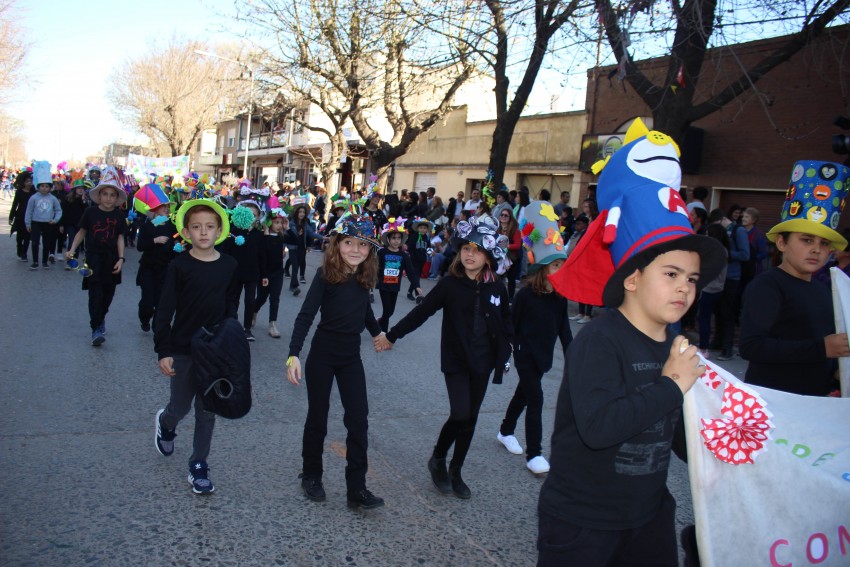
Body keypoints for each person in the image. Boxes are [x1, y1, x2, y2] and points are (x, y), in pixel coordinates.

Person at [542, 119, 725, 566]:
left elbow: (673, 433)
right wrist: (671, 386)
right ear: (633, 278)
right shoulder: (600, 341)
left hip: (649, 518)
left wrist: (721, 444)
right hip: (584, 524)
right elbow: (599, 427)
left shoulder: (674, 342)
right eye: (671, 274)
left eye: (692, 279)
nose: (684, 288)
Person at [377, 215, 513, 499]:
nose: (470, 254)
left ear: (488, 255)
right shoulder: (450, 284)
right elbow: (421, 312)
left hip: (483, 362)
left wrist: (510, 349)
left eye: (477, 250)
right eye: (466, 248)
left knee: (471, 418)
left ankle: (456, 469)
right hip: (456, 360)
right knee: (460, 413)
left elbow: (507, 322)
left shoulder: (497, 286)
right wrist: (392, 335)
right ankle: (438, 457)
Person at [286, 215, 387, 510]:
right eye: (348, 243)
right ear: (337, 245)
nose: (355, 250)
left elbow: (364, 310)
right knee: (318, 417)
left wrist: (377, 332)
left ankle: (357, 488)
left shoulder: (363, 277)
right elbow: (306, 316)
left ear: (370, 250)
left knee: (358, 421)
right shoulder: (326, 275)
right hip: (323, 356)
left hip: (350, 358)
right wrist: (293, 354)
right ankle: (312, 475)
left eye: (362, 245)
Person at [739, 159, 850, 396]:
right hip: (773, 402)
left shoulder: (823, 290)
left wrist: (834, 382)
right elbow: (752, 346)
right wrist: (822, 348)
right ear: (782, 242)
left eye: (824, 243)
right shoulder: (768, 285)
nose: (816, 249)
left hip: (814, 404)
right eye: (806, 240)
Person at [153, 198, 240, 495]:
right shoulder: (179, 266)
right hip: (182, 349)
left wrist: (230, 339)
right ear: (187, 232)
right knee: (181, 406)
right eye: (196, 227)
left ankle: (198, 465)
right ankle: (166, 423)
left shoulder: (230, 265)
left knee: (207, 411)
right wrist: (163, 350)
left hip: (214, 351)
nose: (203, 232)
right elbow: (164, 311)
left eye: (209, 227)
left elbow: (231, 304)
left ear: (219, 231)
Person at [496, 201, 571, 475]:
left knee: (524, 394)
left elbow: (564, 331)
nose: (560, 270)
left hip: (543, 357)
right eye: (555, 265)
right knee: (536, 399)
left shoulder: (560, 298)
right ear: (543, 269)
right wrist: (509, 352)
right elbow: (511, 325)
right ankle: (534, 454)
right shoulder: (526, 295)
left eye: (563, 265)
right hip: (525, 354)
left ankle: (505, 431)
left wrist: (574, 358)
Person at [65, 167, 128, 346]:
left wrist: (121, 258)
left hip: (112, 259)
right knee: (95, 294)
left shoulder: (119, 216)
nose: (108, 198)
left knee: (108, 295)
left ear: (117, 199)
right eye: (105, 194)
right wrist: (72, 249)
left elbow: (121, 238)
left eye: (112, 195)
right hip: (93, 260)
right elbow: (81, 232)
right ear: (99, 196)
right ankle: (96, 328)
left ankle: (100, 319)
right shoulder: (90, 213)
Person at [219, 200, 266, 340]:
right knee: (233, 298)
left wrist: (264, 275)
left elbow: (262, 256)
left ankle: (247, 328)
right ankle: (232, 325)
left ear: (258, 217)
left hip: (252, 273)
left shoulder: (259, 234)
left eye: (254, 215)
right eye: (248, 214)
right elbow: (226, 252)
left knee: (250, 300)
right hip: (236, 272)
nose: (251, 217)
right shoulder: (234, 232)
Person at [135, 186, 177, 333]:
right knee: (147, 301)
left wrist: (179, 247)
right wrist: (155, 240)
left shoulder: (173, 227)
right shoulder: (148, 226)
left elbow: (179, 241)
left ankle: (157, 326)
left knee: (160, 300)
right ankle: (144, 318)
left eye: (167, 206)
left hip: (165, 268)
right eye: (163, 206)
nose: (166, 209)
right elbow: (140, 246)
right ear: (155, 209)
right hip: (148, 268)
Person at [375, 217, 421, 332]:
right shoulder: (382, 252)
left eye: (399, 238)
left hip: (395, 286)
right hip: (383, 285)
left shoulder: (404, 255)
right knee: (387, 311)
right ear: (388, 239)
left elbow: (410, 272)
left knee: (391, 311)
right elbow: (374, 268)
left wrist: (417, 286)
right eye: (394, 238)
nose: (396, 241)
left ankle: (379, 321)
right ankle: (383, 333)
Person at [254, 209, 288, 338]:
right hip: (265, 273)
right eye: (276, 222)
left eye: (281, 222)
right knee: (262, 297)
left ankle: (272, 324)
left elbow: (296, 240)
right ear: (269, 223)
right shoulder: (263, 237)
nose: (279, 225)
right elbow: (264, 254)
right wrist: (267, 233)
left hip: (278, 273)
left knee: (275, 299)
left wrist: (288, 228)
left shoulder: (281, 236)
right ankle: (254, 312)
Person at [25, 162, 63, 270]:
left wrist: (55, 220)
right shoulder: (33, 197)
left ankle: (45, 262)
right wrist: (28, 223)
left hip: (48, 223)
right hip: (35, 222)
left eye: (47, 186)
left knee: (47, 243)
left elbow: (58, 210)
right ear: (38, 186)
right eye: (42, 186)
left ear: (50, 187)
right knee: (35, 242)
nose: (44, 188)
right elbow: (29, 211)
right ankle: (35, 262)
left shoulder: (53, 198)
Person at [286, 203, 319, 295]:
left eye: (303, 212)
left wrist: (323, 238)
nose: (302, 214)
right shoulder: (291, 223)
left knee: (300, 263)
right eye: (300, 212)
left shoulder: (305, 223)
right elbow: (288, 236)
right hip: (293, 248)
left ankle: (293, 284)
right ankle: (294, 286)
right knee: (295, 266)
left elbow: (311, 234)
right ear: (296, 213)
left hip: (302, 247)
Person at [62, 181, 89, 270]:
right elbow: (63, 212)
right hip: (70, 223)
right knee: (71, 240)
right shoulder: (67, 199)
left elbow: (86, 212)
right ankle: (69, 260)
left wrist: (84, 201)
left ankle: (74, 259)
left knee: (78, 241)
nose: (81, 190)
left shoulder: (84, 200)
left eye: (82, 188)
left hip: (80, 224)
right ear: (74, 189)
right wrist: (61, 224)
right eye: (79, 188)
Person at [9, 170, 35, 262]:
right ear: (23, 182)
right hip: (20, 217)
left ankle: (24, 253)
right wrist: (11, 217)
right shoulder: (19, 192)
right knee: (20, 237)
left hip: (30, 217)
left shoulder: (34, 193)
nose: (29, 183)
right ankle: (19, 250)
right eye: (27, 181)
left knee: (27, 237)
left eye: (30, 181)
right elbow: (15, 205)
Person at [497, 208, 521, 300]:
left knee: (511, 279)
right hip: (499, 256)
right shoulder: (497, 228)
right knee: (498, 277)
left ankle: (510, 298)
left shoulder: (515, 230)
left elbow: (518, 245)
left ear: (510, 217)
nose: (503, 217)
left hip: (511, 258)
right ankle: (498, 296)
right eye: (502, 215)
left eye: (506, 215)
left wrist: (507, 246)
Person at [407, 218, 432, 301]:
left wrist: (431, 252)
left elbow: (428, 247)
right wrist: (412, 255)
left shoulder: (426, 238)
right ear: (417, 228)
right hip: (414, 260)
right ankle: (418, 295)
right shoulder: (414, 237)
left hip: (422, 260)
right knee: (416, 276)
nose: (422, 229)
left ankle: (409, 292)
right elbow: (410, 247)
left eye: (424, 228)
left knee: (416, 277)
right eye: (421, 228)